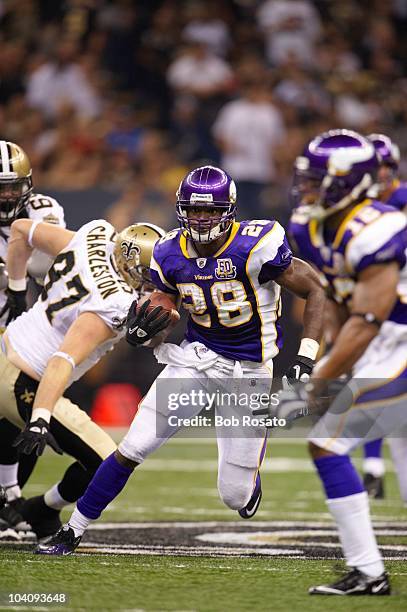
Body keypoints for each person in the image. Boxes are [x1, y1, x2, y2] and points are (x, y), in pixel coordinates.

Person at [37, 164, 325, 555]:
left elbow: (316, 290)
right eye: (194, 209)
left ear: (229, 209)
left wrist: (306, 356)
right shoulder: (168, 251)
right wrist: (146, 330)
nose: (201, 218)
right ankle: (73, 530)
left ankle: (248, 484)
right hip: (195, 361)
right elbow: (164, 306)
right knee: (133, 446)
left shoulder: (257, 244)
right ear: (181, 208)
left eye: (210, 210)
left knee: (234, 496)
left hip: (249, 372)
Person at [284, 129, 407, 595]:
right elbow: (338, 301)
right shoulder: (309, 224)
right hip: (387, 340)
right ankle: (369, 573)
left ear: (348, 182)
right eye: (306, 179)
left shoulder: (379, 227)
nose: (307, 188)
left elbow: (370, 318)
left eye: (318, 180)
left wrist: (318, 379)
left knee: (328, 443)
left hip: (397, 337)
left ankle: (370, 573)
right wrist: (332, 357)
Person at [0, 216, 166, 540]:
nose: (154, 284)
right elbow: (62, 359)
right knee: (109, 463)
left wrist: (18, 290)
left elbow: (21, 229)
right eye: (148, 276)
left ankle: (15, 500)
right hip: (26, 380)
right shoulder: (115, 302)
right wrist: (41, 416)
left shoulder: (96, 235)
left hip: (5, 345)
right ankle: (41, 508)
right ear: (130, 266)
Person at [0, 140, 65, 536]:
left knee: (19, 412)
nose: (7, 194)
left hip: (22, 326)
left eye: (13, 185)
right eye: (0, 186)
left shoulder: (45, 212)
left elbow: (51, 267)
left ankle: (10, 495)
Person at [359, 133, 407, 498]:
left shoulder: (400, 202)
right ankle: (373, 466)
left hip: (397, 310)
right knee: (372, 387)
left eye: (383, 169)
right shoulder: (355, 208)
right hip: (377, 312)